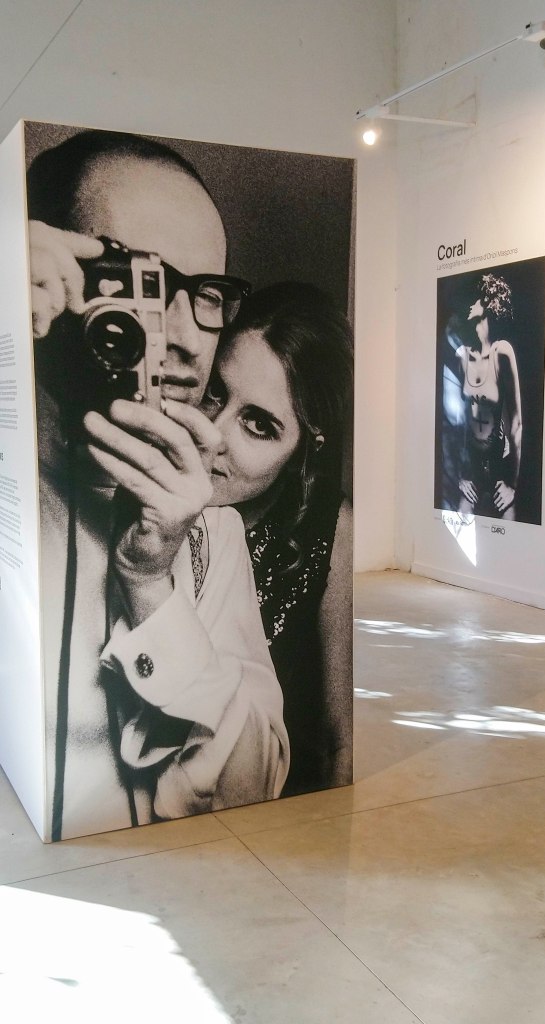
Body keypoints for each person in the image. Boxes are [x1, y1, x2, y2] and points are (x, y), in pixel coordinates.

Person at [26, 129, 289, 840]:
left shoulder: (211, 532)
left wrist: (152, 587)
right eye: (135, 280)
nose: (181, 336)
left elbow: (253, 789)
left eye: (205, 294)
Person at [200, 283, 353, 795]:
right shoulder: (131, 498)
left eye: (258, 424)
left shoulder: (332, 530)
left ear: (304, 449)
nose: (213, 435)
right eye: (213, 392)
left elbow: (339, 743)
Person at [453, 273, 522, 520]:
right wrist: (460, 475)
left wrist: (513, 484)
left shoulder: (501, 352)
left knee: (510, 531)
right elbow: (455, 423)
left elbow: (517, 422)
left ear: (488, 302)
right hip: (472, 470)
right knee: (459, 525)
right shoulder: (461, 355)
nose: (469, 304)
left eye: (475, 299)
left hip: (500, 469)